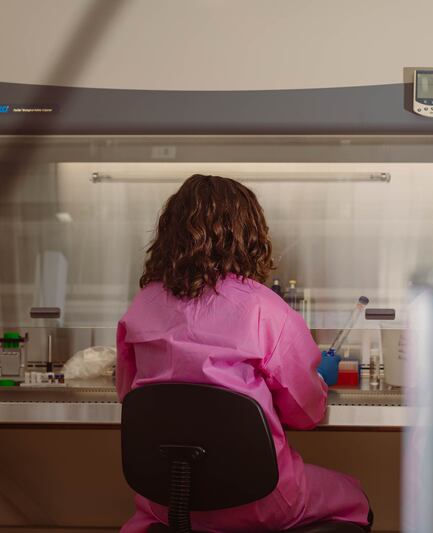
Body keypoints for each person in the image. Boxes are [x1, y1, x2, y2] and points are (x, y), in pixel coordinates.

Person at [116, 174, 371, 532]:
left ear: (169, 234)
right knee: (353, 497)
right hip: (259, 500)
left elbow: (130, 397)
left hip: (169, 501)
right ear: (249, 236)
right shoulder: (266, 310)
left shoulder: (141, 306)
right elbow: (306, 413)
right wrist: (318, 381)